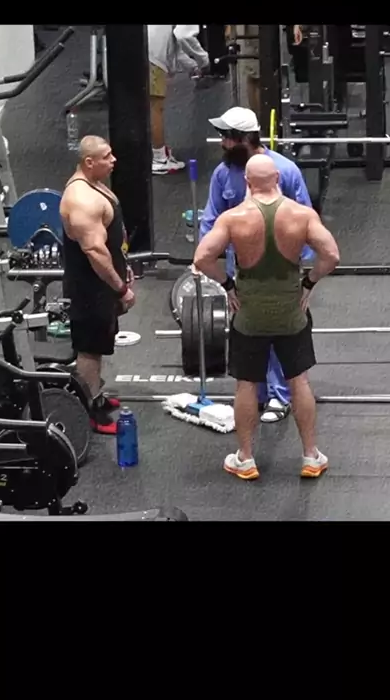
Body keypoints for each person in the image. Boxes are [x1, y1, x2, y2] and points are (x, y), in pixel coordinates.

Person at [193, 154, 340, 481]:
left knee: (247, 383)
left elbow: (202, 257)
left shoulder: (233, 218)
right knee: (299, 380)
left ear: (247, 182)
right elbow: (331, 255)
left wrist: (227, 284)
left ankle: (245, 459)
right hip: (291, 310)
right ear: (278, 179)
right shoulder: (302, 215)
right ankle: (311, 456)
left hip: (248, 312)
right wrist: (309, 282)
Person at [199, 106, 315, 423]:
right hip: (241, 274)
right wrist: (209, 263)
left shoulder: (285, 171)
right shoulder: (223, 173)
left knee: (279, 333)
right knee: (249, 335)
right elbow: (211, 220)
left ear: (244, 139)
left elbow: (306, 219)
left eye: (226, 137)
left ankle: (280, 395)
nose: (222, 143)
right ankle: (258, 395)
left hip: (282, 272)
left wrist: (305, 275)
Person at [60, 135, 135, 435]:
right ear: (89, 162)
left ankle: (95, 395)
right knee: (89, 349)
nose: (113, 160)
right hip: (89, 288)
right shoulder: (81, 199)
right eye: (106, 156)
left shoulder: (95, 185)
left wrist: (125, 268)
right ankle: (88, 411)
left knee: (100, 343)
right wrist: (120, 288)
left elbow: (112, 242)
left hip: (101, 284)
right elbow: (95, 251)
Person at [148, 25, 210, 175]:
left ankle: (152, 152)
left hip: (142, 47)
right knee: (155, 107)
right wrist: (204, 60)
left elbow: (177, 47)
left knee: (146, 105)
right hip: (153, 56)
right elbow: (184, 36)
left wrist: (194, 66)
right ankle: (159, 159)